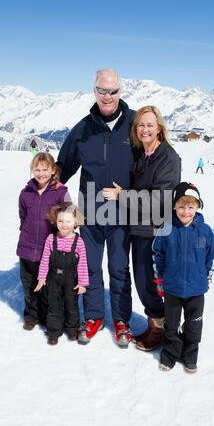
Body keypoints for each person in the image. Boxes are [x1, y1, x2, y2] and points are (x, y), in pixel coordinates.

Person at [57, 68, 135, 348]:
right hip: (90, 209)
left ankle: (122, 320)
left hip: (122, 210)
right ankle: (93, 317)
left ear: (120, 92)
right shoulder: (83, 128)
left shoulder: (135, 123)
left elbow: (155, 157)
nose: (107, 96)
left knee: (118, 267)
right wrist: (43, 186)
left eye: (112, 90)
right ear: (95, 91)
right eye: (102, 90)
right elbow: (63, 166)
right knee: (89, 267)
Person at [103, 106, 181, 351]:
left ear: (159, 127)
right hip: (138, 229)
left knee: (151, 282)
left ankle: (161, 330)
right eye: (141, 125)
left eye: (150, 124)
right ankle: (153, 324)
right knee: (142, 281)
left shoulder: (168, 157)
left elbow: (160, 201)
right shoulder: (140, 154)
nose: (145, 129)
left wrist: (123, 196)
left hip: (156, 232)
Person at [152, 182, 214, 373]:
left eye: (191, 207)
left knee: (193, 326)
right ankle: (170, 355)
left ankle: (190, 356)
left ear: (198, 207)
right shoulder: (166, 229)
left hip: (196, 289)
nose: (185, 212)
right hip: (172, 288)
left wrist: (207, 278)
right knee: (171, 326)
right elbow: (158, 256)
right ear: (174, 206)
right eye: (181, 206)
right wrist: (160, 281)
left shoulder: (205, 231)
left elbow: (212, 256)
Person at [17, 152, 70, 331]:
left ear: (53, 170)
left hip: (49, 249)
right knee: (29, 283)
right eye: (37, 170)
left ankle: (50, 317)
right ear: (33, 170)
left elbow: (68, 218)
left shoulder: (61, 192)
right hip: (26, 247)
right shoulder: (25, 194)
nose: (41, 173)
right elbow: (22, 217)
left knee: (49, 286)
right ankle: (32, 315)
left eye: (45, 169)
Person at [34, 203, 89, 345]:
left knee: (72, 305)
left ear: (75, 222)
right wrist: (41, 278)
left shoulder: (79, 242)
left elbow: (82, 263)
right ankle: (54, 332)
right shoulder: (51, 239)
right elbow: (45, 260)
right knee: (54, 306)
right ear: (55, 221)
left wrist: (82, 283)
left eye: (68, 221)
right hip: (53, 279)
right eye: (60, 221)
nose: (64, 224)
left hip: (71, 279)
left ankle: (72, 329)